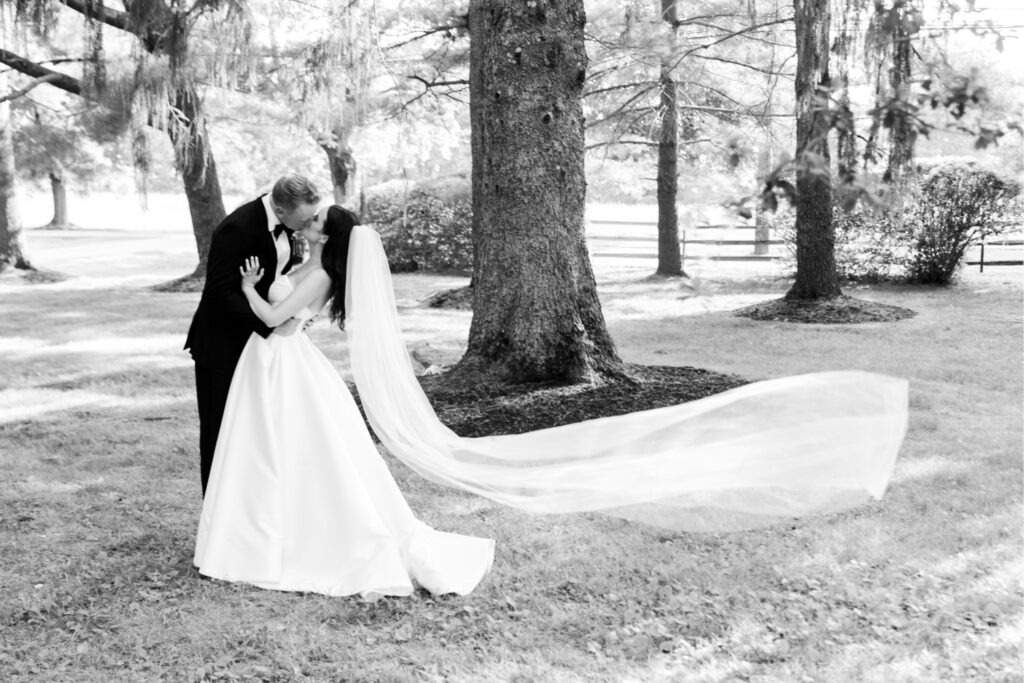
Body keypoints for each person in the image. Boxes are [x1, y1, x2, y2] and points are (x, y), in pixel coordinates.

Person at [193, 206, 495, 598]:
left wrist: (249, 288)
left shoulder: (320, 276)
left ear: (327, 236)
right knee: (263, 447)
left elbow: (273, 319)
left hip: (283, 361)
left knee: (285, 445)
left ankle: (284, 540)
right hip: (269, 359)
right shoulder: (304, 264)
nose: (308, 222)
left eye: (316, 221)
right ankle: (254, 532)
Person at [184, 175, 321, 496]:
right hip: (223, 346)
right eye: (303, 220)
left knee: (254, 432)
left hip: (259, 347)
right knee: (220, 434)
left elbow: (277, 276)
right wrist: (272, 323)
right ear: (279, 207)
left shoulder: (288, 224)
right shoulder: (238, 228)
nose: (307, 225)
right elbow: (220, 293)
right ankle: (216, 519)